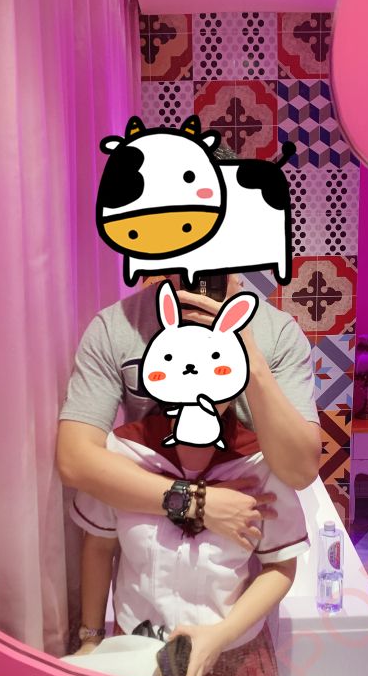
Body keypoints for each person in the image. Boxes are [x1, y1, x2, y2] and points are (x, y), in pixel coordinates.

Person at [57, 271, 321, 653]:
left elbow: (299, 474)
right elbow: (77, 464)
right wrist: (198, 502)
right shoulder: (126, 446)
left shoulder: (276, 334)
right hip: (139, 633)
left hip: (235, 629)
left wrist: (251, 361)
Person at [68, 403, 309, 676]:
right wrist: (91, 639)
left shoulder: (258, 461)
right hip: (135, 652)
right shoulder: (125, 450)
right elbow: (99, 545)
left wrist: (222, 634)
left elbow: (281, 564)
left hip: (232, 657)